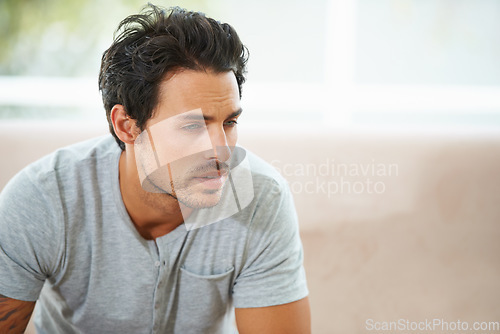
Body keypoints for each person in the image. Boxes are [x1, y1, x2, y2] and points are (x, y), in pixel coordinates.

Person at [0, 4, 310, 333]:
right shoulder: (43, 200)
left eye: (230, 122)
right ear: (127, 126)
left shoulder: (260, 198)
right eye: (193, 126)